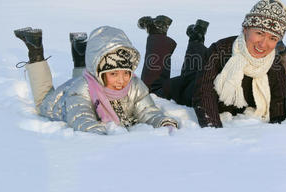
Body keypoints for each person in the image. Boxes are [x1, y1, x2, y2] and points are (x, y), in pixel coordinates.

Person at [138, 0, 286, 128]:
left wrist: (278, 130)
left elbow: (278, 101)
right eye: (259, 33)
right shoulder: (221, 49)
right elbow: (204, 93)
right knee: (153, 89)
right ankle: (157, 32)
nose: (263, 44)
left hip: (202, 73)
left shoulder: (274, 63)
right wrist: (213, 130)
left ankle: (196, 36)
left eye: (273, 38)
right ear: (245, 29)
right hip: (190, 89)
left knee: (197, 67)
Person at [14, 25, 178, 135]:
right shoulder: (81, 89)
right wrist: (94, 130)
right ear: (100, 72)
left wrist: (161, 121)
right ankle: (35, 49)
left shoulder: (134, 85)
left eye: (126, 73)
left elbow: (147, 111)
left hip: (88, 82)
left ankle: (80, 50)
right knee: (43, 101)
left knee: (84, 81)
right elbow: (80, 115)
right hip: (66, 100)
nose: (121, 80)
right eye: (114, 74)